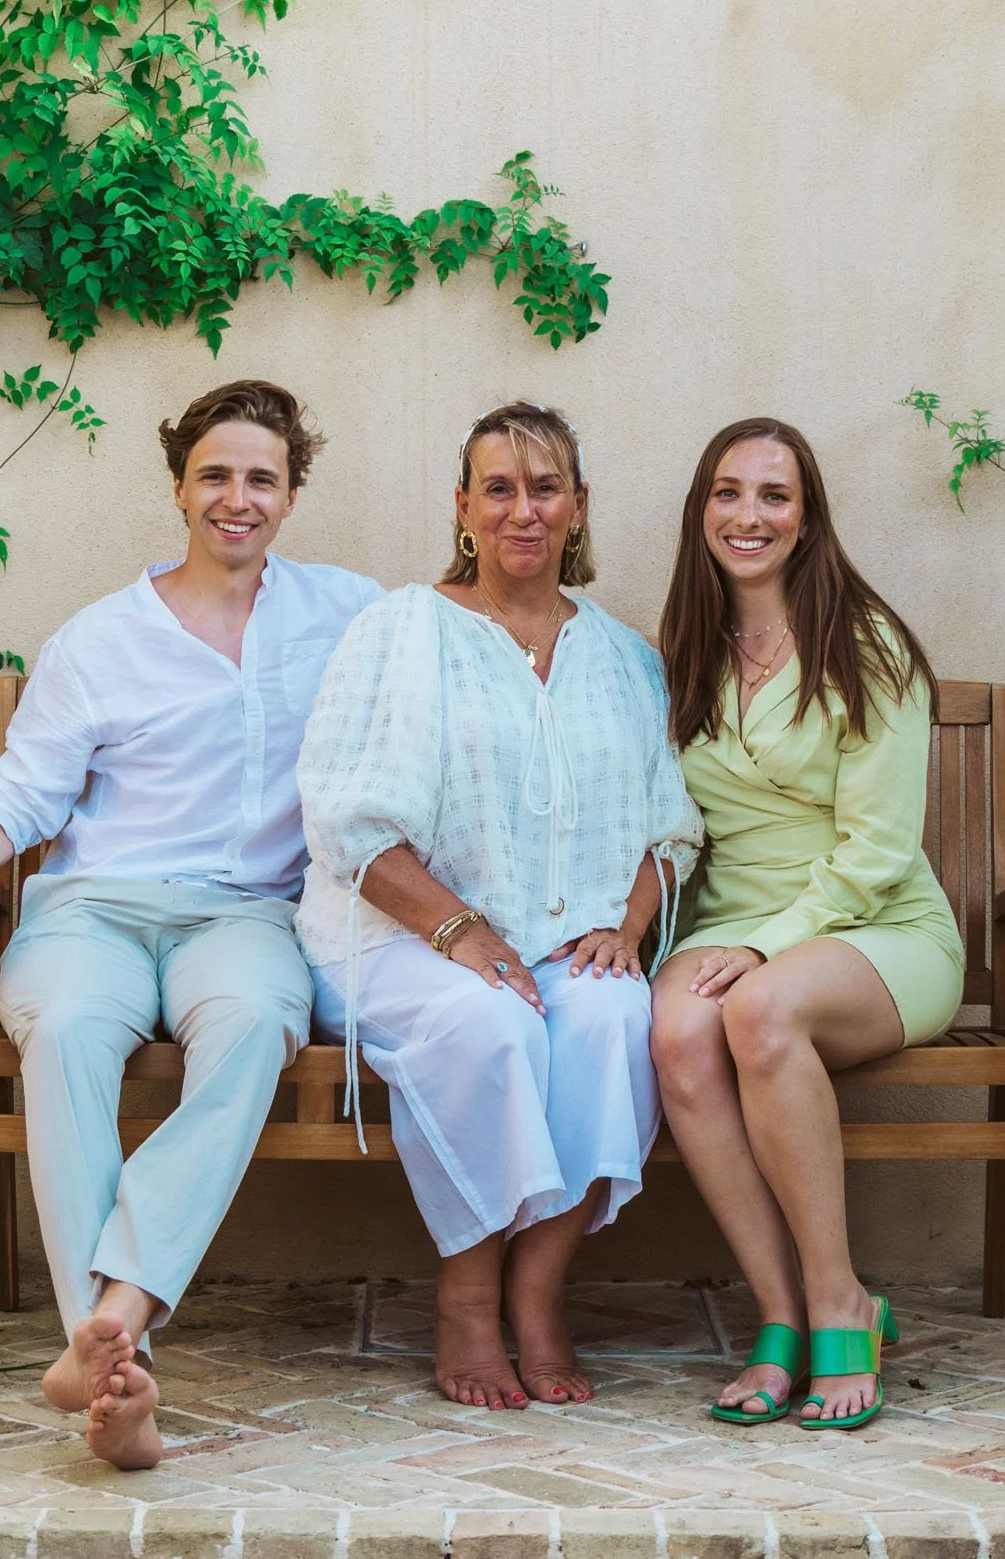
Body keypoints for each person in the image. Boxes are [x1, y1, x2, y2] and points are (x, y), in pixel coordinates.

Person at [0, 379, 381, 1471]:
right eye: (215, 475)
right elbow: (20, 798)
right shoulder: (100, 637)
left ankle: (102, 1338)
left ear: (291, 495)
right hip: (90, 911)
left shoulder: (348, 614)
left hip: (243, 914)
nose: (235, 498)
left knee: (255, 1020)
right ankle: (116, 1360)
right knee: (62, 1032)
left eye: (261, 477)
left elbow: (447, 682)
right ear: (178, 487)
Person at [295, 401, 702, 1410]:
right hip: (398, 937)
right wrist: (461, 931)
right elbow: (348, 818)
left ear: (578, 507)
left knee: (613, 1015)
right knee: (493, 1021)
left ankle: (538, 1287)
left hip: (568, 941)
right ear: (464, 508)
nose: (524, 510)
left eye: (546, 486)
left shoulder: (622, 655)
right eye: (500, 488)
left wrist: (630, 927)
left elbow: (669, 823)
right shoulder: (401, 628)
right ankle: (469, 1297)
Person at [649, 417, 963, 1432]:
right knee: (676, 1029)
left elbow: (876, 852)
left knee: (761, 1008)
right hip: (728, 922)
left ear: (807, 516)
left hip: (876, 929)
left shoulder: (864, 645)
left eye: (773, 495)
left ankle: (841, 1303)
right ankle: (780, 1311)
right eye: (727, 492)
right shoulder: (685, 651)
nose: (749, 514)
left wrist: (763, 947)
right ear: (703, 512)